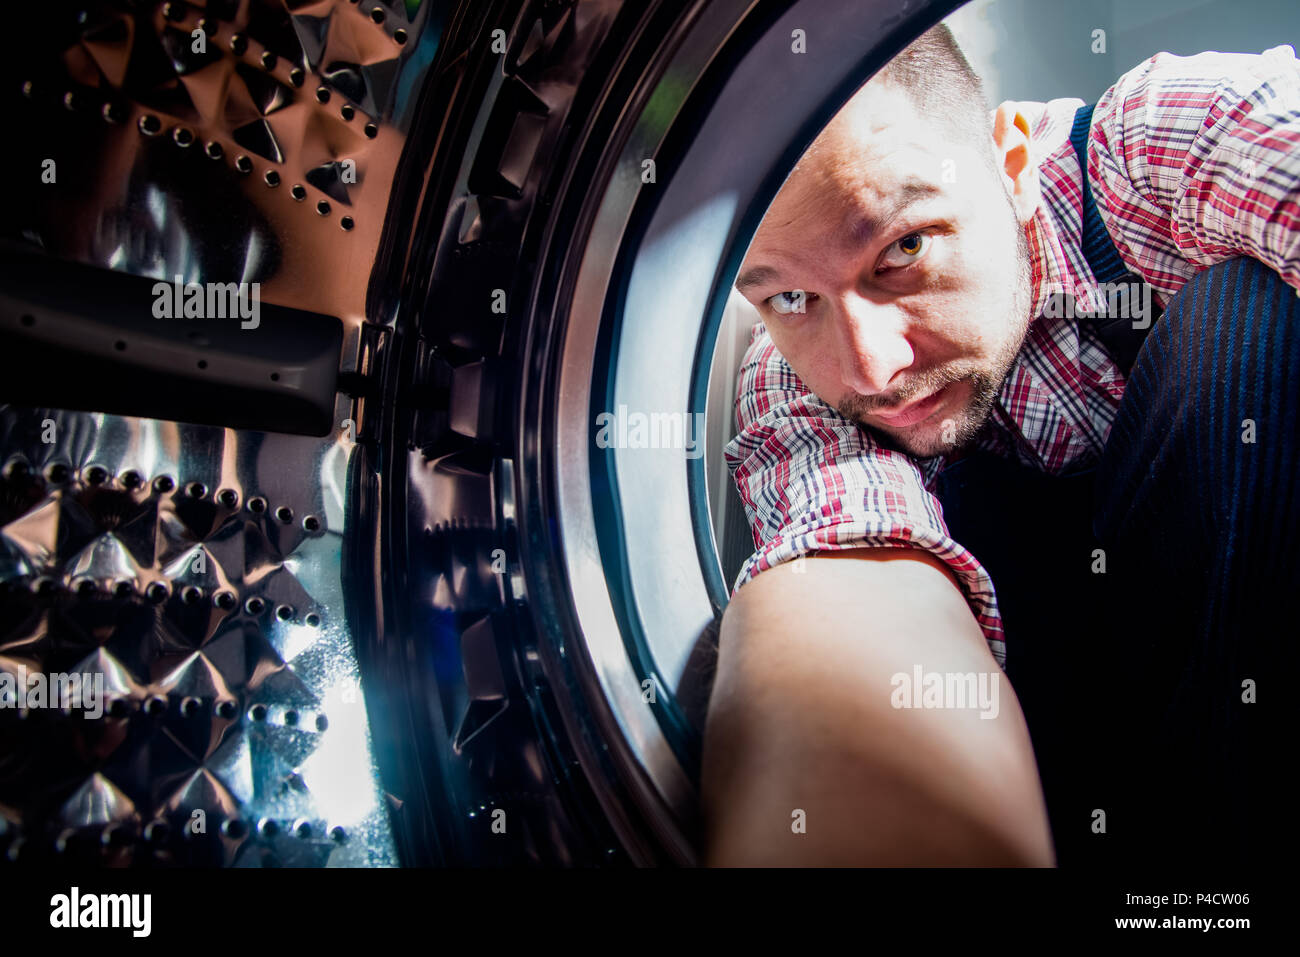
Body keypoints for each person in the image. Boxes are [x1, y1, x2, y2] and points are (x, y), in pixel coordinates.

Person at [701, 22, 1297, 866]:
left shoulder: (1154, 146)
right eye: (792, 297)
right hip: (1055, 778)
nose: (871, 369)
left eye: (902, 250)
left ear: (1012, 165)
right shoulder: (794, 384)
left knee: (1246, 327)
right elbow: (852, 612)